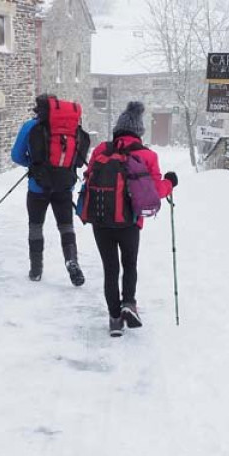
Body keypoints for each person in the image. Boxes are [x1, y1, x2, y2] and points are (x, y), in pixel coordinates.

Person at [77, 101, 178, 337]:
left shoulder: (102, 150)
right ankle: (128, 304)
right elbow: (156, 191)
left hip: (101, 220)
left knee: (110, 268)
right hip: (129, 222)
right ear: (139, 132)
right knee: (129, 264)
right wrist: (171, 182)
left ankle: (114, 319)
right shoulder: (147, 155)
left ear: (118, 129)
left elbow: (88, 176)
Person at [11, 94, 89, 286]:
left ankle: (36, 269)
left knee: (36, 226)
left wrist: (34, 164)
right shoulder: (72, 129)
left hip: (38, 187)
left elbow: (16, 156)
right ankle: (72, 261)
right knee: (66, 226)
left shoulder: (31, 126)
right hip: (64, 186)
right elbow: (79, 159)